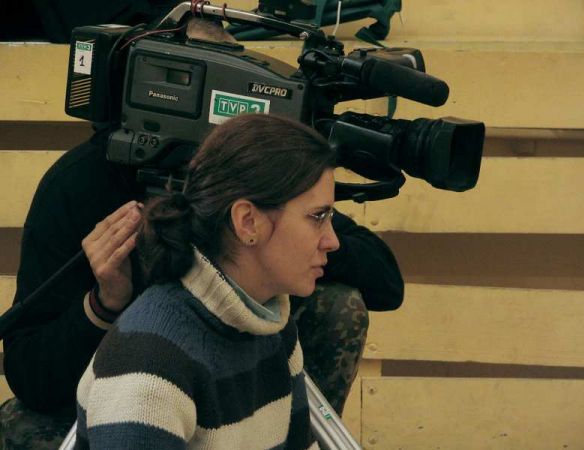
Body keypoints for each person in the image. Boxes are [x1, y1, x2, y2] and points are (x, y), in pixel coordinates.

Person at [1, 20, 403, 450]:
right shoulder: (83, 181)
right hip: (113, 398)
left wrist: (284, 242)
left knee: (336, 304)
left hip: (237, 386)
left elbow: (385, 283)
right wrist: (103, 305)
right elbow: (29, 374)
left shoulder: (266, 189)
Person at [74, 113, 337, 448]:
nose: (332, 240)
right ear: (248, 222)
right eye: (318, 216)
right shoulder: (149, 366)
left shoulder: (272, 326)